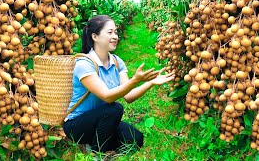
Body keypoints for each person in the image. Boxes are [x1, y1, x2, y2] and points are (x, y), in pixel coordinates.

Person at [62, 15, 175, 153]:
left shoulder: (116, 61)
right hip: (76, 125)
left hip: (102, 120)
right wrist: (135, 80)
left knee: (135, 139)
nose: (115, 36)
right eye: (110, 32)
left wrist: (151, 82)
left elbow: (129, 96)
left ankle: (92, 144)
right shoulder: (84, 64)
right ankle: (98, 154)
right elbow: (107, 97)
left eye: (116, 32)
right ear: (95, 37)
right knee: (114, 108)